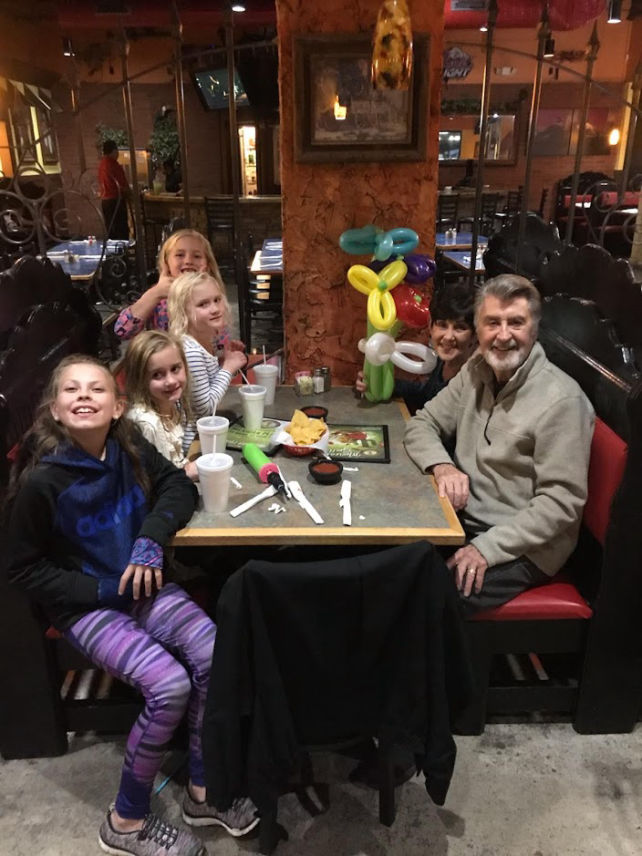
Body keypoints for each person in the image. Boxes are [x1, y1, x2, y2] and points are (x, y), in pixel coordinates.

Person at [3, 355, 259, 856]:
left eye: (95, 388)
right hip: (87, 606)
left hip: (141, 585)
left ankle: (202, 793)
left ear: (117, 405)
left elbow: (174, 485)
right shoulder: (41, 483)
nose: (83, 396)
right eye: (71, 390)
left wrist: (150, 538)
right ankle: (125, 820)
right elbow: (22, 570)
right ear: (55, 410)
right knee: (169, 685)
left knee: (214, 655)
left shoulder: (128, 445)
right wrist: (98, 591)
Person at [404, 275, 594, 614]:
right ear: (478, 329)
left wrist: (486, 549)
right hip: (465, 522)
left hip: (524, 546)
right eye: (493, 322)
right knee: (390, 566)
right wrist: (443, 465)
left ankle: (437, 666)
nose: (503, 335)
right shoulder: (476, 370)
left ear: (534, 329)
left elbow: (561, 503)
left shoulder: (562, 400)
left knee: (426, 600)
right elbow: (423, 423)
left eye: (516, 323)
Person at [356, 282, 476, 413]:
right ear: (430, 326)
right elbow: (425, 395)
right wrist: (379, 384)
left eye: (460, 328)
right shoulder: (443, 363)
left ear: (475, 334)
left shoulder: (475, 380)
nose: (448, 336)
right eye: (442, 325)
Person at [168, 271, 247, 452]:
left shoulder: (203, 341)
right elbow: (205, 408)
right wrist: (227, 368)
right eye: (203, 304)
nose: (215, 308)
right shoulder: (191, 351)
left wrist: (224, 361)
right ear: (183, 312)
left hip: (201, 433)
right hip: (191, 444)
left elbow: (204, 383)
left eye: (217, 300)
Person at [114, 229, 231, 345]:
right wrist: (156, 293)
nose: (188, 261)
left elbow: (220, 338)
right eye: (180, 255)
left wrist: (228, 351)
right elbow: (123, 331)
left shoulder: (213, 295)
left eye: (197, 256)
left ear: (207, 265)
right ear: (166, 262)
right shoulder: (159, 299)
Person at [122, 330, 199, 481]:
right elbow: (153, 482)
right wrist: (186, 473)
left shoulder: (170, 403)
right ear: (140, 380)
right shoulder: (148, 424)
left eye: (175, 369)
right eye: (157, 375)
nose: (170, 381)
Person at [98, 139, 130, 240]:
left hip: (105, 201)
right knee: (121, 230)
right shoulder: (114, 165)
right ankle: (122, 253)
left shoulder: (102, 165)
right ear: (114, 151)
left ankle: (112, 253)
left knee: (111, 229)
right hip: (116, 201)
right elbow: (122, 185)